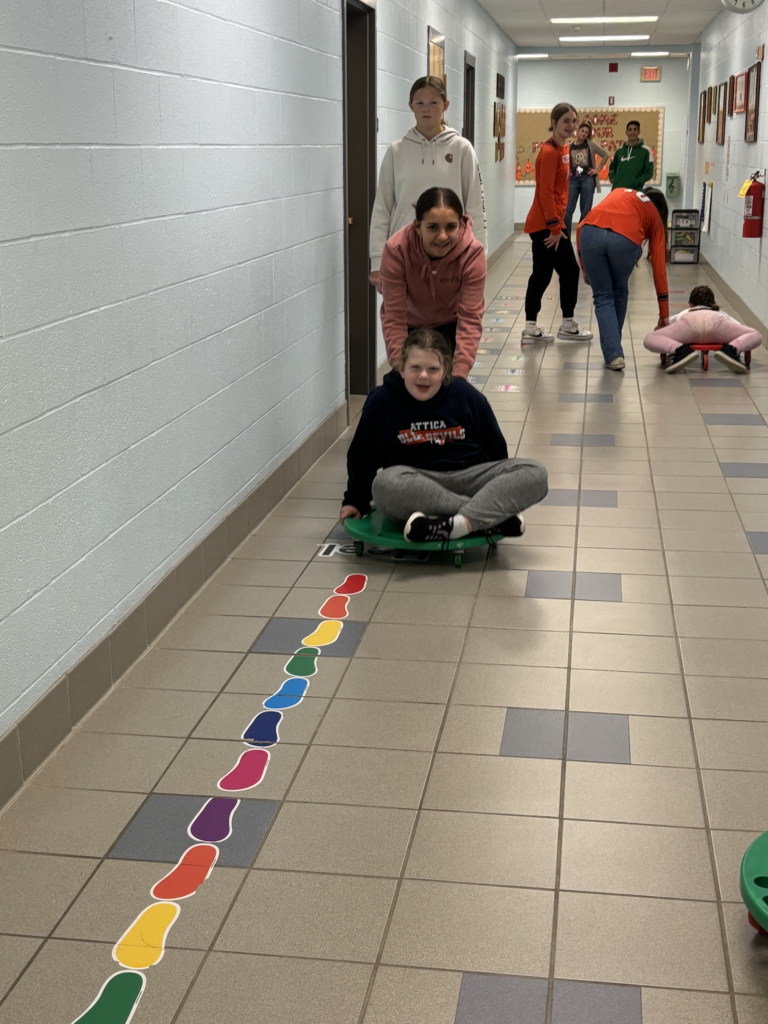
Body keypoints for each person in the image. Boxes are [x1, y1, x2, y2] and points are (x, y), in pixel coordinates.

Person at [339, 328, 548, 544]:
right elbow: (362, 457)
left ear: (445, 370)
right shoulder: (381, 401)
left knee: (535, 473)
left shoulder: (465, 395)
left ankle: (455, 525)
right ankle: (484, 517)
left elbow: (496, 451)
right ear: (401, 369)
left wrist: (498, 486)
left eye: (433, 369)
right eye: (415, 368)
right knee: (384, 484)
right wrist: (355, 501)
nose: (423, 376)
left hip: (469, 477)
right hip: (416, 484)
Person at [369, 76, 487, 293]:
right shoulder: (396, 152)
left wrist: (478, 257)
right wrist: (377, 262)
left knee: (450, 313)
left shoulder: (462, 149)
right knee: (401, 313)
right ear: (410, 106)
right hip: (404, 255)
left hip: (450, 252)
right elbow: (382, 209)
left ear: (445, 105)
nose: (426, 109)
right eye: (419, 102)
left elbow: (474, 206)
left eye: (433, 102)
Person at [379, 187, 485, 380]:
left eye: (451, 227)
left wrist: (460, 376)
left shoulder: (472, 254)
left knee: (448, 386)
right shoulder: (396, 250)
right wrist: (400, 367)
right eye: (433, 227)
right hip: (411, 325)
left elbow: (470, 319)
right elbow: (393, 316)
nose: (442, 236)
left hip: (451, 325)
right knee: (410, 385)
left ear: (460, 225)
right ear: (418, 227)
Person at [522, 102, 593, 344]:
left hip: (549, 223)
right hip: (546, 225)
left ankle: (530, 328)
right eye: (565, 121)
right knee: (570, 271)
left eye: (573, 121)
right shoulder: (549, 152)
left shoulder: (563, 149)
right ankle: (568, 325)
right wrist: (555, 227)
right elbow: (545, 193)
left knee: (541, 274)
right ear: (554, 123)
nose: (571, 126)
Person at [577, 187, 669, 371]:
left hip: (589, 233)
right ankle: (614, 353)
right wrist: (664, 314)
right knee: (619, 291)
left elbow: (579, 228)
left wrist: (585, 268)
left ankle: (613, 353)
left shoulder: (621, 193)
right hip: (624, 239)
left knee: (602, 296)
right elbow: (659, 270)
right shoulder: (655, 217)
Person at [644, 285, 762, 374]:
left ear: (690, 303)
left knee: (650, 338)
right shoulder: (720, 313)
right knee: (755, 334)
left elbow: (665, 326)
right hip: (717, 323)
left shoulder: (685, 312)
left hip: (689, 323)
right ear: (713, 303)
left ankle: (680, 351)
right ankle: (731, 350)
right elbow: (739, 327)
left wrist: (659, 330)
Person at [564, 121, 609, 236]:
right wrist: (567, 171)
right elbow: (563, 160)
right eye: (582, 131)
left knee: (585, 211)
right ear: (578, 131)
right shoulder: (569, 146)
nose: (583, 133)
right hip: (573, 179)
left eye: (586, 132)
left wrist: (597, 170)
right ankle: (566, 239)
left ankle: (581, 236)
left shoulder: (590, 144)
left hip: (587, 179)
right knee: (567, 210)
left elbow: (605, 155)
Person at [609, 121, 654, 191]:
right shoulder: (619, 151)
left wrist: (637, 181)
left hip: (635, 190)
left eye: (635, 129)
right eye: (630, 130)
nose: (632, 132)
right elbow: (612, 168)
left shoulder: (646, 151)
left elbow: (649, 172)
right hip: (617, 190)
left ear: (639, 131)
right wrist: (613, 178)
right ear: (626, 132)